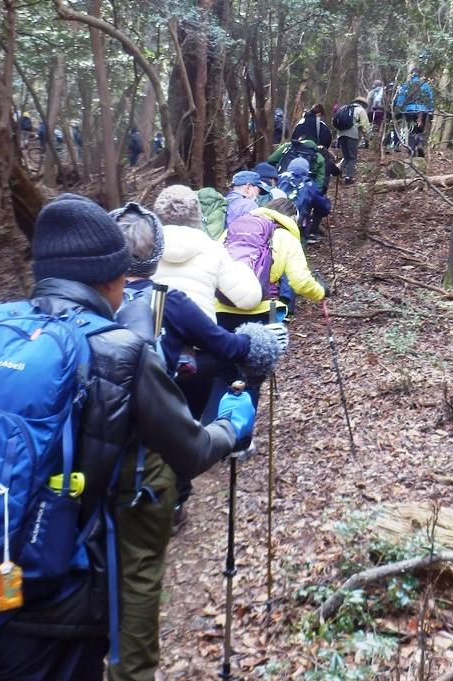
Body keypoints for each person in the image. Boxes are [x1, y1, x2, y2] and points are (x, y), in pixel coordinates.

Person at [0, 193, 255, 681]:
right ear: (113, 277)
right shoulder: (122, 350)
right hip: (56, 595)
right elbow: (191, 450)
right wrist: (232, 423)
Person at [108, 202, 285, 681]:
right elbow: (227, 341)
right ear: (156, 252)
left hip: (94, 441)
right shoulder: (173, 299)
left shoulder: (96, 304)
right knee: (175, 442)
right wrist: (262, 344)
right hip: (160, 408)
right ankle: (176, 501)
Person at [206, 198, 328, 418]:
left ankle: (213, 436)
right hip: (262, 312)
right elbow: (300, 281)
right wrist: (321, 292)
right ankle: (240, 442)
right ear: (291, 217)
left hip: (222, 309)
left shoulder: (232, 231)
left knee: (222, 374)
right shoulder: (285, 238)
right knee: (251, 378)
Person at [152, 184, 261, 321]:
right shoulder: (213, 249)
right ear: (198, 214)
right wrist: (241, 267)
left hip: (156, 335)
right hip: (201, 336)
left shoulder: (144, 250)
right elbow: (249, 299)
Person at [277, 158, 331, 244]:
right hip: (299, 223)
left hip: (276, 220)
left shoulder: (279, 178)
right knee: (297, 248)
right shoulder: (308, 184)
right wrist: (327, 204)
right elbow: (323, 207)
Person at [393, 68, 435, 155]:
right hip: (423, 110)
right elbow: (430, 98)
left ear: (411, 74)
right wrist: (430, 110)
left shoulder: (406, 84)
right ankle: (419, 143)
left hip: (409, 110)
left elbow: (401, 96)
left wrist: (399, 108)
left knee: (411, 129)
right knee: (420, 129)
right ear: (420, 75)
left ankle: (411, 149)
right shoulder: (425, 85)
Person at [335, 95, 372, 184]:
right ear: (363, 104)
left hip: (341, 135)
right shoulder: (360, 110)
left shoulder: (344, 108)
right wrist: (368, 139)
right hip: (352, 136)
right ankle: (348, 178)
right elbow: (365, 126)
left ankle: (336, 172)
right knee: (352, 157)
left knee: (346, 157)